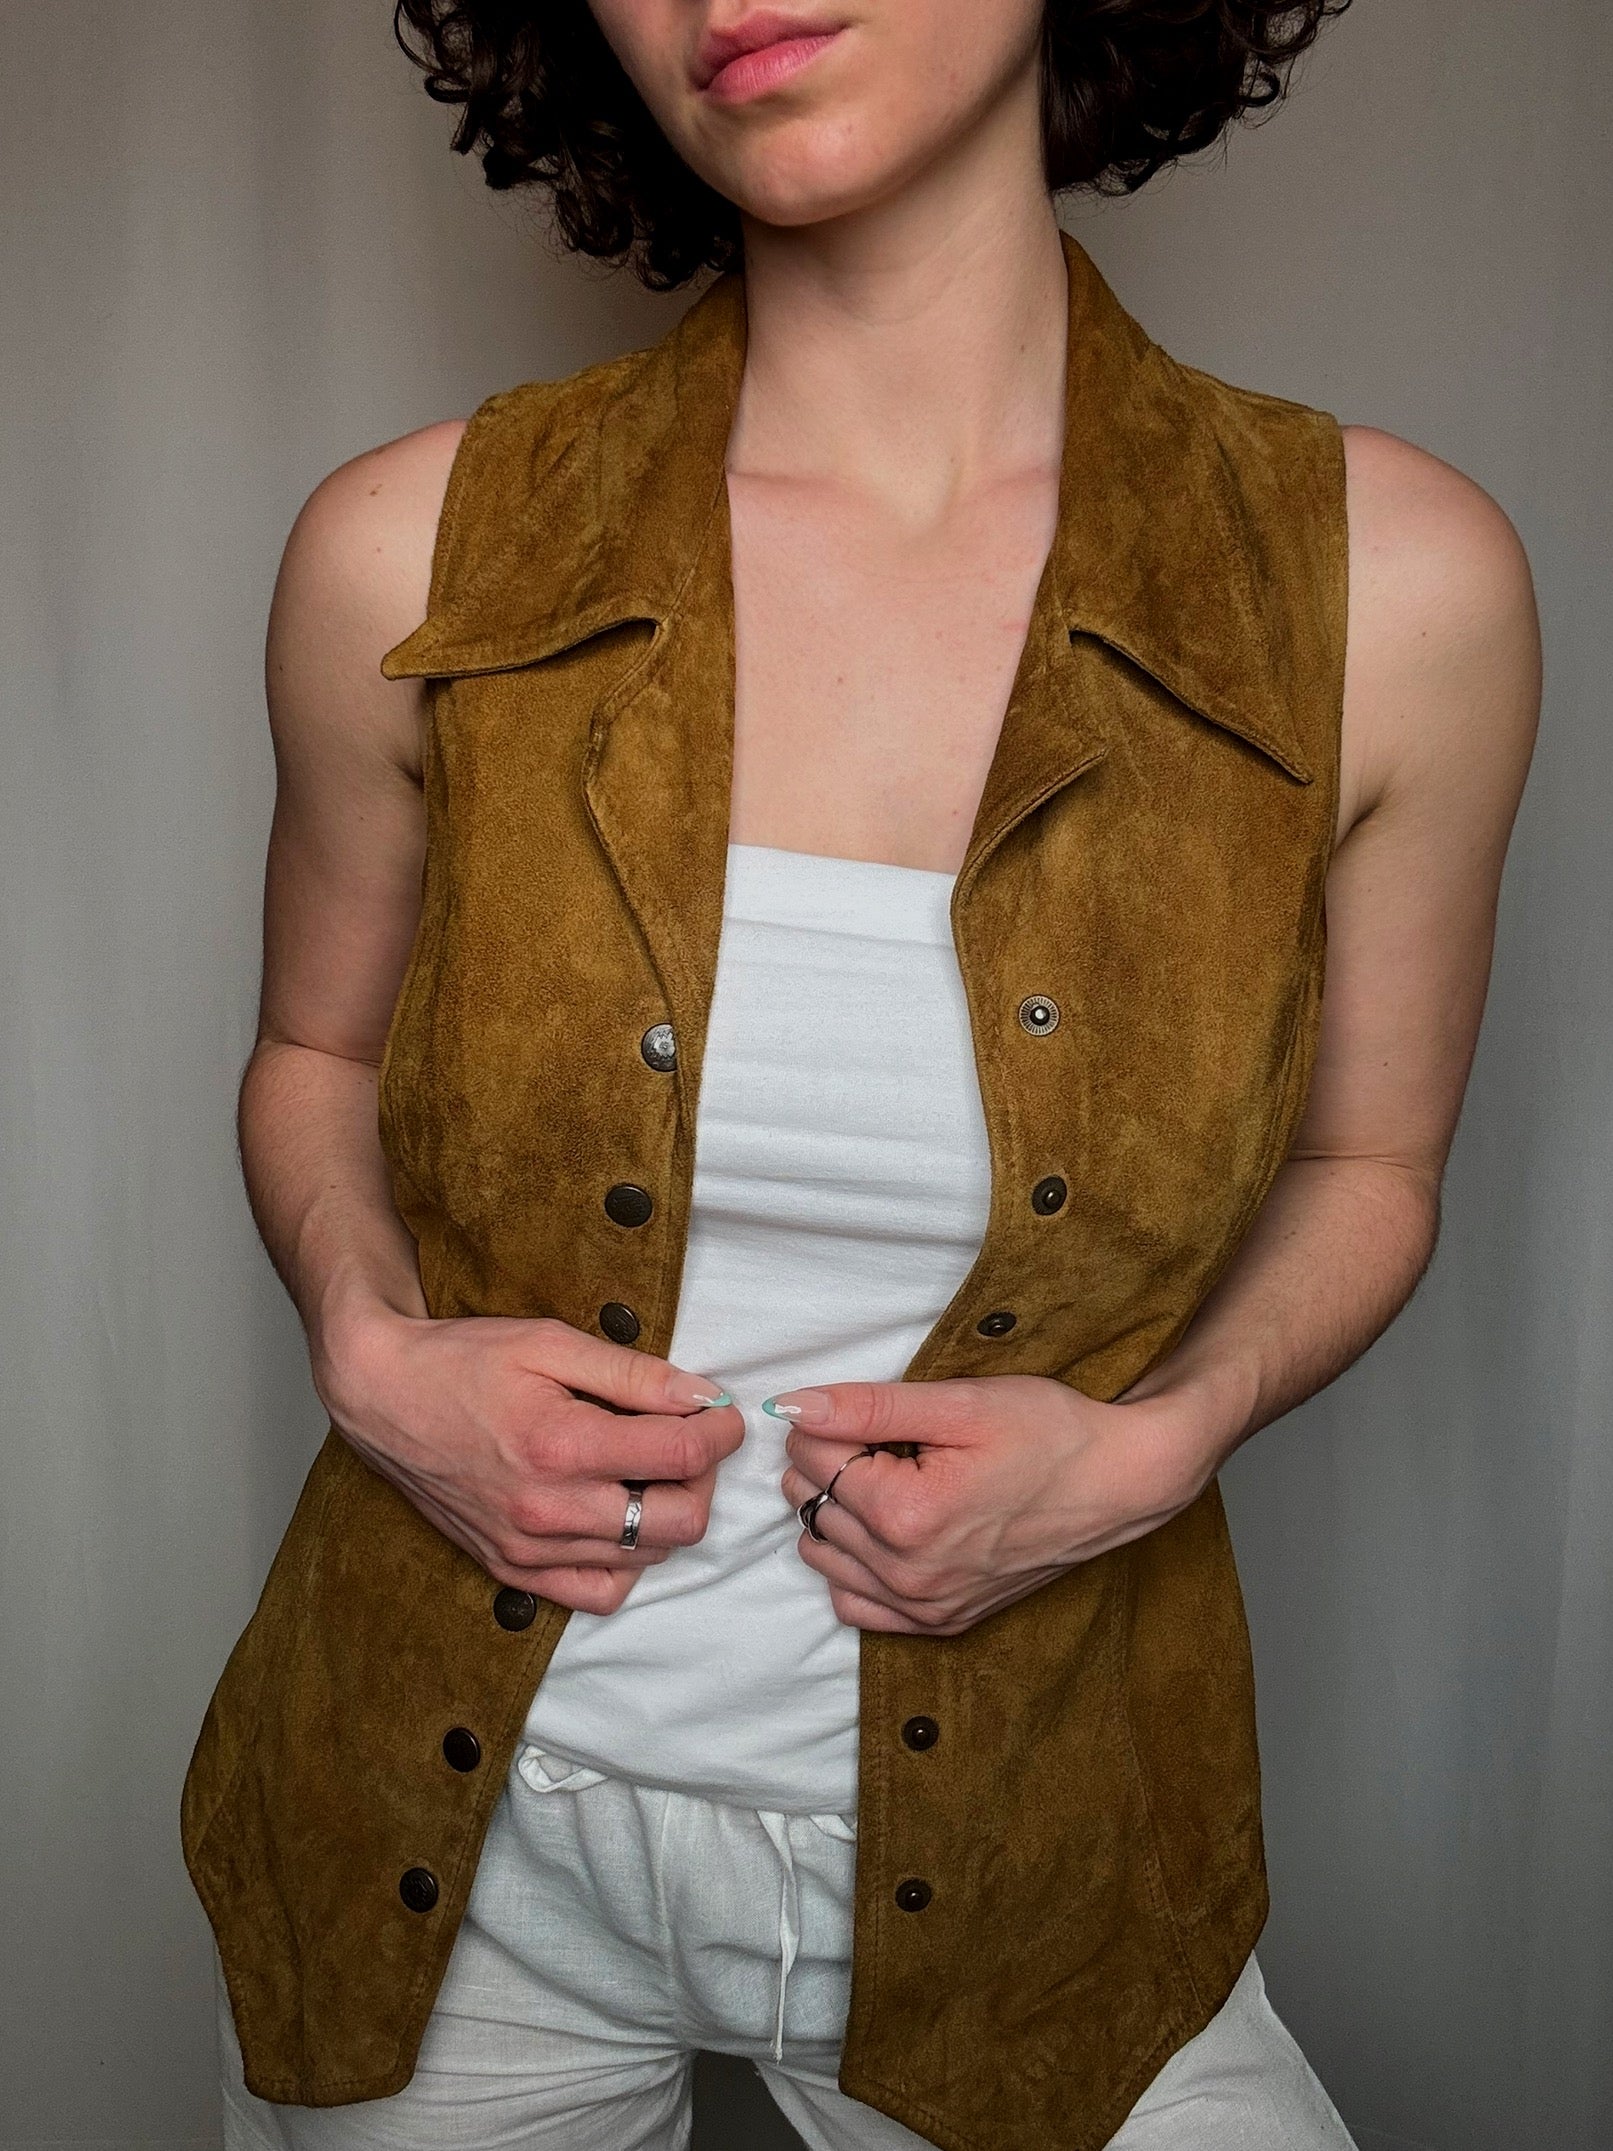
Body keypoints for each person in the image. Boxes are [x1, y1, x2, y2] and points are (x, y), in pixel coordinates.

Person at [186, 3, 1542, 2147]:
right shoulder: (411, 544)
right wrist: (370, 1349)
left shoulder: (1392, 591)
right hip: (435, 1837)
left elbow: (1373, 1159)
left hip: (1043, 1853)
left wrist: (1160, 1444)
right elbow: (313, 1050)